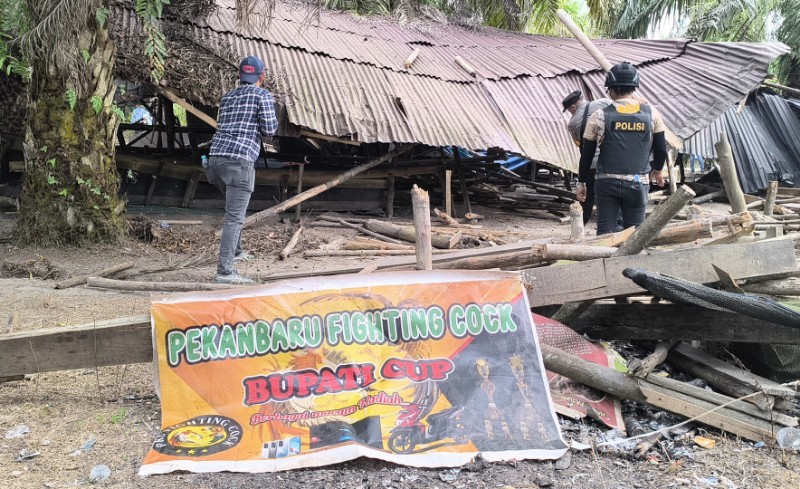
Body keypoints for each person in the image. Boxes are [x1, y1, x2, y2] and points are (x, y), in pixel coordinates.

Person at [206, 56, 279, 284]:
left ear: (240, 76)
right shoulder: (262, 95)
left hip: (215, 162)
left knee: (234, 212)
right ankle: (224, 272)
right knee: (235, 218)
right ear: (262, 77)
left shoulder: (227, 97)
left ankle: (236, 253)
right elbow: (269, 129)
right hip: (239, 163)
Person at [576, 62, 667, 236]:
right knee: (635, 235)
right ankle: (631, 262)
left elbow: (586, 154)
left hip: (606, 182)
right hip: (638, 183)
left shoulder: (599, 116)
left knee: (606, 234)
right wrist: (657, 170)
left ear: (610, 89)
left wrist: (581, 182)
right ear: (634, 87)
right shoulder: (652, 114)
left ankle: (607, 262)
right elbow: (661, 149)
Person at [562, 90, 613, 225]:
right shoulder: (604, 102)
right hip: (611, 160)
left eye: (569, 110)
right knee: (609, 196)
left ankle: (581, 225)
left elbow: (579, 144)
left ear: (573, 107)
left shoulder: (573, 123)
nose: (570, 113)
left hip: (591, 163)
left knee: (587, 196)